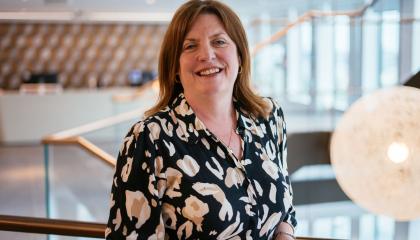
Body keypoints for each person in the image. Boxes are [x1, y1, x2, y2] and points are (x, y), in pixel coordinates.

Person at [105, 0, 297, 239]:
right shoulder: (149, 139)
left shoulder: (269, 117)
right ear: (175, 66)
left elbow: (285, 209)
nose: (206, 54)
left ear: (240, 55)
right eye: (190, 46)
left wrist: (286, 234)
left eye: (219, 41)